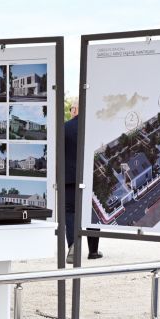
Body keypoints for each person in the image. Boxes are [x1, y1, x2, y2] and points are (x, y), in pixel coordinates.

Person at [63, 101, 101, 264]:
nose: (71, 111)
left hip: (69, 177)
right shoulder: (93, 127)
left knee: (70, 212)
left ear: (76, 109)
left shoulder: (64, 128)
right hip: (89, 177)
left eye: (71, 108)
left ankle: (73, 247)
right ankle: (93, 251)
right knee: (91, 214)